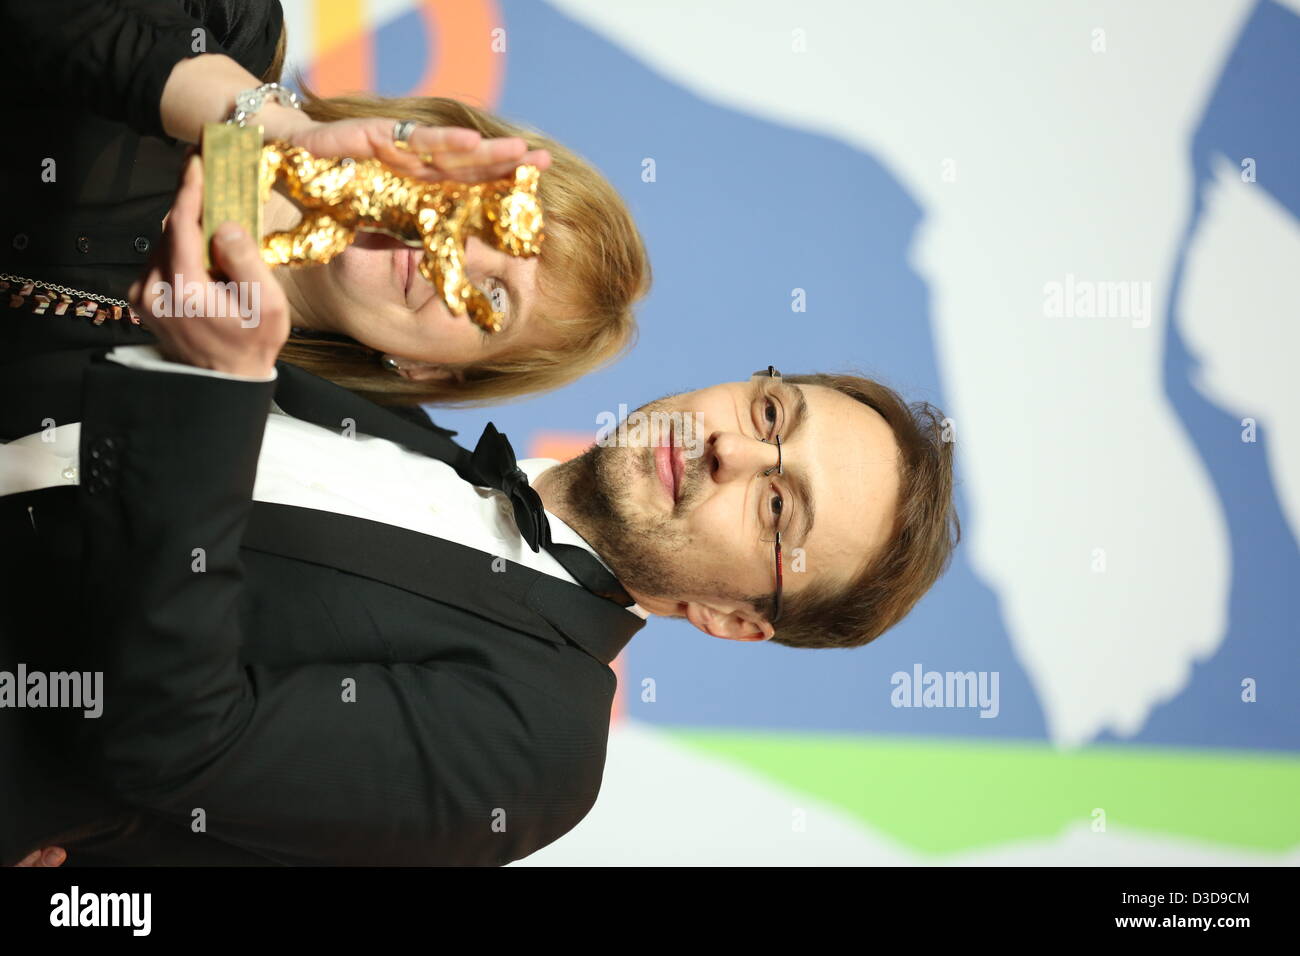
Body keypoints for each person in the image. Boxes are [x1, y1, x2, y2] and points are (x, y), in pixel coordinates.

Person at [0, 144, 959, 865]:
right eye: (769, 410)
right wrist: (283, 138)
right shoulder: (404, 408)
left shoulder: (544, 749)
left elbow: (170, 743)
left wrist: (215, 398)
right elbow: (170, 241)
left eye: (778, 508)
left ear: (735, 619)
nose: (731, 449)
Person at [0, 0, 650, 408]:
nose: (454, 249)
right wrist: (260, 128)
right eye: (491, 210)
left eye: (496, 299)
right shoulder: (228, 26)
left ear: (428, 372)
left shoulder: (181, 416)